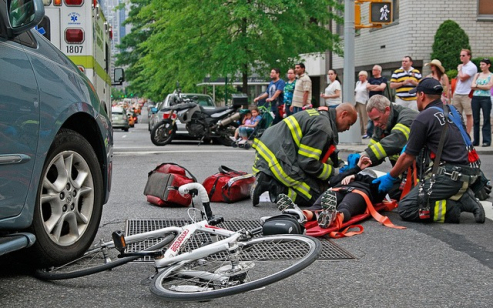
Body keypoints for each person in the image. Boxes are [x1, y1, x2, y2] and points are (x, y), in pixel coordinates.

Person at [373, 78, 485, 224]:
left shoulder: (423, 118)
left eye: (416, 95)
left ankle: (458, 205)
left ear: (422, 95)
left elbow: (408, 157)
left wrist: (391, 177)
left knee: (407, 208)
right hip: (471, 171)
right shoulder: (453, 110)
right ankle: (459, 194)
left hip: (451, 175)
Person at [251, 103, 358, 207]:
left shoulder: (321, 116)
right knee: (317, 197)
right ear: (343, 114)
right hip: (279, 158)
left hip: (271, 151)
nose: (348, 128)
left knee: (316, 184)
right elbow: (308, 163)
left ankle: (268, 178)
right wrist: (335, 173)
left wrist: (339, 163)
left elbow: (321, 152)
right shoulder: (323, 127)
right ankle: (271, 185)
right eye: (349, 123)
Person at [276, 155, 386, 229]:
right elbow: (332, 181)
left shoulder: (372, 183)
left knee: (345, 207)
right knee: (318, 206)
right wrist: (356, 169)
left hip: (359, 192)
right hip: (338, 189)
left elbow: (379, 191)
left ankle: (333, 217)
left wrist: (356, 176)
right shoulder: (347, 176)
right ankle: (300, 215)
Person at [452, 49, 477, 135]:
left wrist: (459, 69)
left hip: (467, 94)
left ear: (469, 56)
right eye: (460, 55)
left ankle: (468, 133)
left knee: (468, 114)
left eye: (463, 55)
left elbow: (462, 78)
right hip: (457, 93)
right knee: (456, 114)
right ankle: (458, 133)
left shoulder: (472, 67)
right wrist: (454, 92)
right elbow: (458, 80)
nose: (461, 57)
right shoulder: (462, 66)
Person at [471, 58, 493, 147]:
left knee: (486, 119)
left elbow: (488, 87)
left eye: (483, 64)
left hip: (486, 98)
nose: (481, 66)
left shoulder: (491, 75)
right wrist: (480, 86)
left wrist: (477, 85)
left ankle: (486, 140)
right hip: (476, 97)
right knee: (476, 120)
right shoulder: (477, 75)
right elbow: (472, 86)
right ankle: (476, 140)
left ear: (488, 65)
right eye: (480, 65)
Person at [365, 65, 388, 138]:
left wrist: (373, 87)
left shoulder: (383, 79)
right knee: (371, 117)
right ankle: (369, 133)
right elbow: (367, 87)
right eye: (372, 69)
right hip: (371, 100)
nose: (373, 71)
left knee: (380, 116)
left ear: (379, 71)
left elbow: (382, 87)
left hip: (380, 101)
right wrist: (377, 87)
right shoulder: (370, 79)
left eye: (375, 70)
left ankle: (381, 133)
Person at [354, 70, 370, 136]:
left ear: (365, 76)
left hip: (363, 102)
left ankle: (366, 132)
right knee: (358, 117)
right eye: (359, 75)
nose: (360, 77)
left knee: (364, 117)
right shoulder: (358, 83)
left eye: (361, 75)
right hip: (357, 102)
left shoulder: (367, 83)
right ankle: (360, 131)